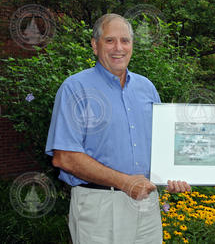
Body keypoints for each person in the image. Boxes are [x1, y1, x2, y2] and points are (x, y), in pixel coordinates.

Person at [45, 13, 190, 244]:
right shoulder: (75, 88)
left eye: (125, 40)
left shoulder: (147, 88)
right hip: (99, 205)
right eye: (110, 40)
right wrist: (124, 182)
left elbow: (164, 145)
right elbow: (65, 157)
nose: (118, 48)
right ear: (95, 45)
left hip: (147, 203)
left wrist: (176, 175)